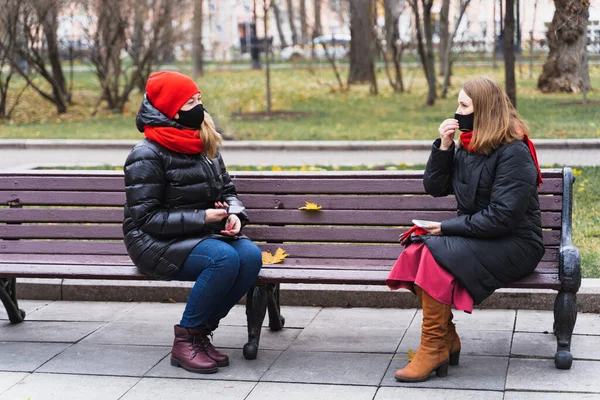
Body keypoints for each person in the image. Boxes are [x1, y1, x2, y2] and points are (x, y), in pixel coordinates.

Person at [387, 76, 544, 382]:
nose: (457, 112)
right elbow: (435, 187)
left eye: (463, 105)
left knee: (432, 253)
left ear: (482, 110)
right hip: (478, 234)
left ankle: (433, 347)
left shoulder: (514, 151)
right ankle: (445, 338)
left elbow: (502, 218)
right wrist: (444, 146)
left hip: (516, 243)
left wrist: (445, 228)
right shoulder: (468, 144)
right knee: (417, 250)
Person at [122, 71, 262, 374]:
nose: (199, 108)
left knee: (250, 256)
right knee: (223, 258)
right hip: (152, 242)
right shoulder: (146, 154)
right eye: (189, 102)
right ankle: (185, 339)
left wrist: (234, 214)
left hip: (198, 234)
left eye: (199, 99)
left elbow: (228, 191)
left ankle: (201, 334)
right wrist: (203, 217)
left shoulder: (203, 144)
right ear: (171, 109)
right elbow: (145, 218)